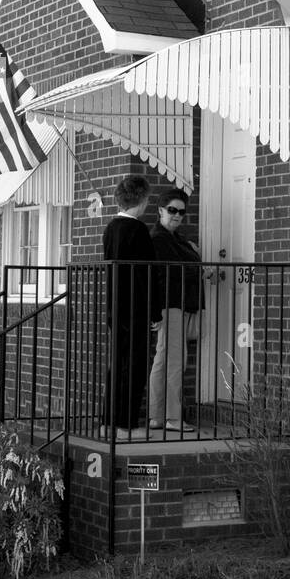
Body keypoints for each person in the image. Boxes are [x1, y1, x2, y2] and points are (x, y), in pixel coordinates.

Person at [102, 175, 156, 440]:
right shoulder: (139, 231)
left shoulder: (111, 228)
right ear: (143, 201)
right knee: (134, 367)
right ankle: (126, 425)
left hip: (115, 305)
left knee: (117, 364)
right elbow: (149, 276)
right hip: (136, 307)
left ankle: (109, 422)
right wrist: (155, 313)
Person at [148, 188, 204, 433]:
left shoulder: (176, 238)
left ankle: (157, 416)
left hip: (177, 305)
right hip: (171, 305)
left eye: (181, 211)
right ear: (160, 210)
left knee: (163, 360)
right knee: (174, 362)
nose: (177, 215)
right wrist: (200, 269)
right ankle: (172, 417)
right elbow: (168, 272)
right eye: (172, 210)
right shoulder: (159, 238)